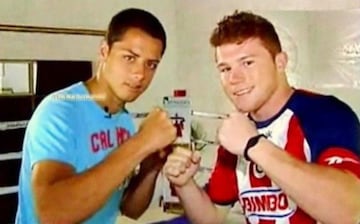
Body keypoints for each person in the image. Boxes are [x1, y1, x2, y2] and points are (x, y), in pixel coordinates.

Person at [163, 11, 360, 224]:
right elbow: (212, 217)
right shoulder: (237, 131)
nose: (234, 79)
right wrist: (185, 185)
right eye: (225, 68)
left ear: (280, 62)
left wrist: (254, 145)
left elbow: (351, 212)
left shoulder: (324, 113)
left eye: (247, 63)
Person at [16, 8, 177, 224]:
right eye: (130, 58)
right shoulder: (59, 111)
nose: (140, 74)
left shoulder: (123, 120)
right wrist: (141, 142)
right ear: (104, 51)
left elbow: (129, 209)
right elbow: (52, 213)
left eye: (151, 64)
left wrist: (150, 168)